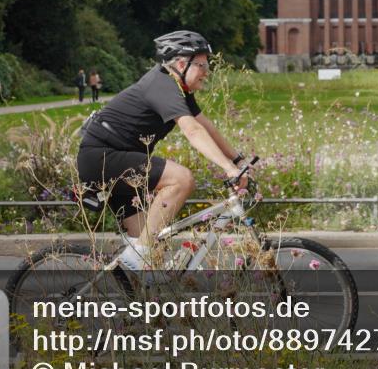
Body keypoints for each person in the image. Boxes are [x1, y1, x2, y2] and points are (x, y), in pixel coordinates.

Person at [76, 31, 249, 272]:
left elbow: (205, 125)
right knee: (181, 179)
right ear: (181, 63)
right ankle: (134, 263)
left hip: (119, 160)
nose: (207, 71)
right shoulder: (162, 85)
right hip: (103, 158)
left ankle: (135, 291)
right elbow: (192, 130)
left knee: (150, 259)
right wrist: (229, 169)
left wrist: (238, 160)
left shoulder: (177, 88)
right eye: (201, 65)